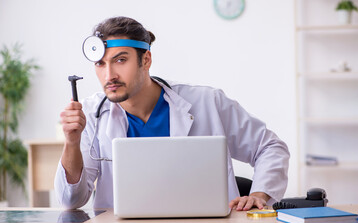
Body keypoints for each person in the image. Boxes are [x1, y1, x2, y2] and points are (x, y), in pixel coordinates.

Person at [55, 16, 289, 211]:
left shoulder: (207, 102)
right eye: (101, 64)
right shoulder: (91, 116)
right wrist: (72, 143)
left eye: (120, 60)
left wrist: (259, 195)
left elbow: (270, 147)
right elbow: (71, 201)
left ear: (145, 60)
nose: (109, 75)